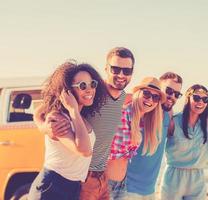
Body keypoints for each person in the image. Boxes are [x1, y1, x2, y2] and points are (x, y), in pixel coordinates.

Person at [34, 47, 135, 200]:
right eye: (115, 69)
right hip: (83, 177)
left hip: (103, 177)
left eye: (126, 71)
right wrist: (44, 127)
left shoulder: (120, 97)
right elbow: (42, 109)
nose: (121, 75)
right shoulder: (95, 90)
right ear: (106, 69)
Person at [28, 61, 106, 200]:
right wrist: (73, 110)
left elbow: (38, 111)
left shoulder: (81, 118)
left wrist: (41, 126)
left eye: (92, 84)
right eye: (82, 86)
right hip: (51, 187)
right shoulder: (58, 118)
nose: (89, 90)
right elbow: (84, 150)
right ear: (67, 91)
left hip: (73, 187)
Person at [161, 84, 208, 200]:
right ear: (188, 98)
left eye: (205, 99)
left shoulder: (207, 124)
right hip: (173, 178)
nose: (201, 102)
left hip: (197, 179)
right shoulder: (173, 121)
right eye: (196, 98)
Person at [106, 77, 166, 199]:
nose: (150, 99)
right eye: (147, 93)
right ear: (138, 93)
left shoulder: (140, 122)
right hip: (105, 183)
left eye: (155, 97)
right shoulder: (121, 113)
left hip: (122, 184)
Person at [126, 72, 183, 199]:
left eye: (177, 94)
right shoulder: (141, 109)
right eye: (168, 90)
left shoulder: (168, 115)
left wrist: (206, 121)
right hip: (128, 189)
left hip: (149, 190)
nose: (172, 96)